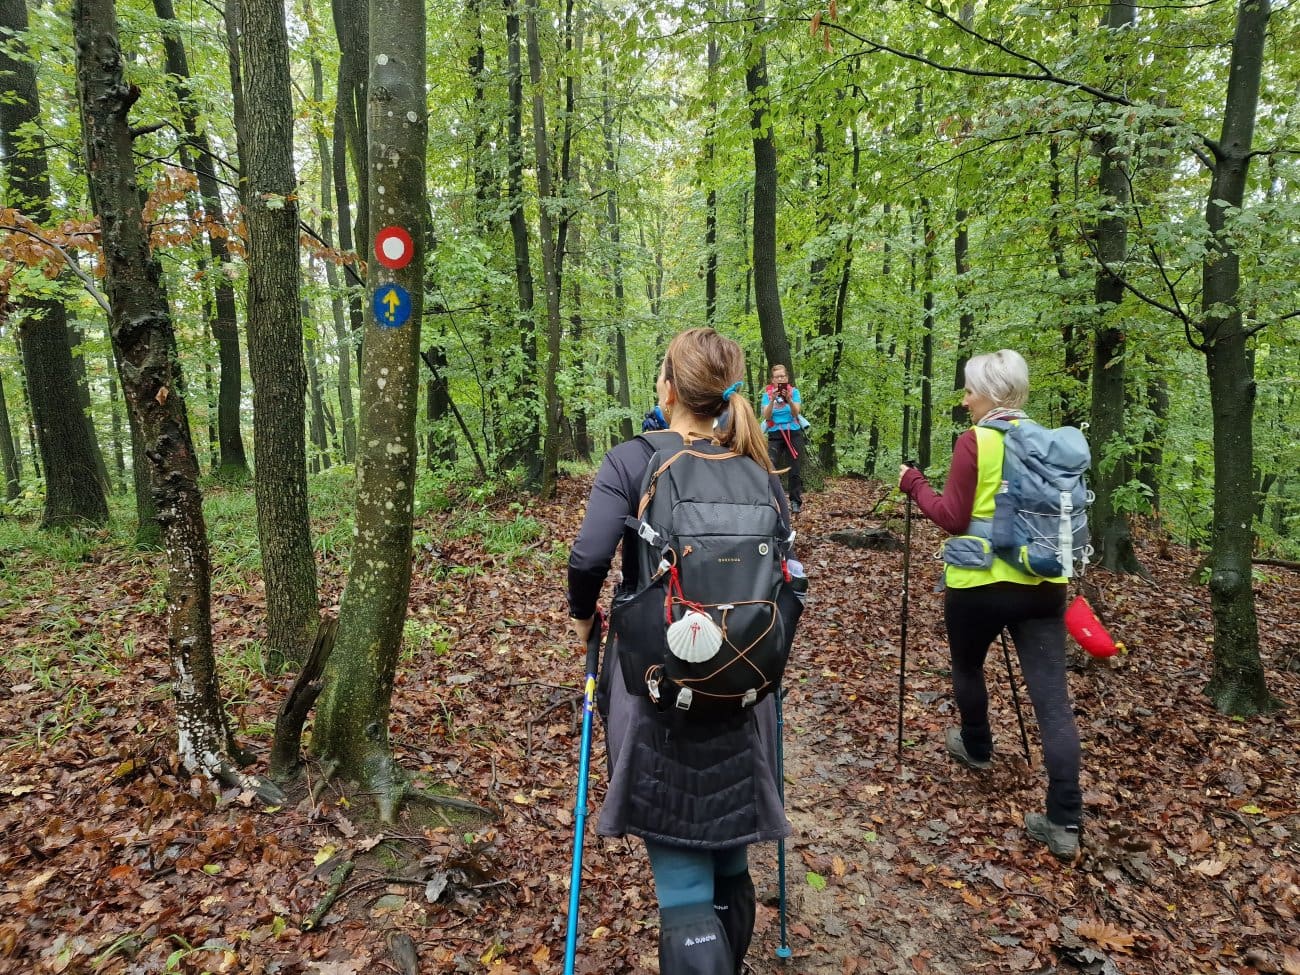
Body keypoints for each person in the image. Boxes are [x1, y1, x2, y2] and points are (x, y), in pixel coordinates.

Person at [568, 328, 792, 974]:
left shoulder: (632, 460)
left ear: (667, 388)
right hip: (745, 694)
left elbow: (588, 556)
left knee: (685, 883)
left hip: (657, 693)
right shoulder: (758, 470)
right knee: (730, 857)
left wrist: (585, 620)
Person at [897, 349, 1084, 861]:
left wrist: (914, 484)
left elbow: (952, 517)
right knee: (1052, 703)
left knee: (967, 667)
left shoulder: (976, 441)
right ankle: (1065, 818)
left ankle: (977, 745)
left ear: (992, 393)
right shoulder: (1048, 443)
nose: (965, 398)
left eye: (970, 389)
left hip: (978, 583)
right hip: (1044, 586)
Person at [761, 364, 804, 513]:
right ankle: (773, 500)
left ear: (787, 378)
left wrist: (789, 399)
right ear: (772, 380)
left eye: (783, 376)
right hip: (775, 433)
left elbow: (795, 412)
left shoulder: (795, 392)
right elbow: (766, 416)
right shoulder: (767, 395)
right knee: (770, 466)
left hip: (793, 432)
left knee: (794, 468)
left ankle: (795, 501)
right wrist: (772, 400)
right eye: (777, 377)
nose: (780, 379)